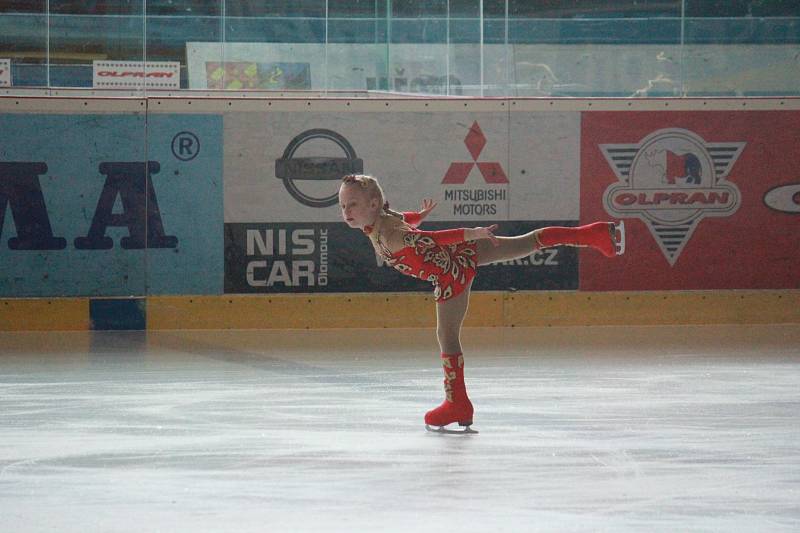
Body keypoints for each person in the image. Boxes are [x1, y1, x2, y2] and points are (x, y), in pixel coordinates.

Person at [338, 174, 624, 433]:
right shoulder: (383, 220)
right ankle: (594, 233)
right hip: (464, 250)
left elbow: (432, 239)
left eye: (352, 204)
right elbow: (406, 219)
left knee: (446, 335)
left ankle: (457, 404)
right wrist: (421, 215)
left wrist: (470, 233)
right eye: (342, 206)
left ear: (374, 204)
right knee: (526, 242)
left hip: (452, 270)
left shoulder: (390, 234)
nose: (346, 212)